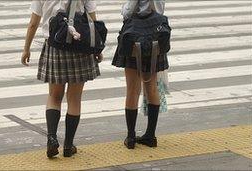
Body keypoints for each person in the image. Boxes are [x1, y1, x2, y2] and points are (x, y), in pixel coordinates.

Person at [21, 0, 103, 158]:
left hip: (55, 45)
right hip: (80, 46)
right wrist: (97, 48)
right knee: (74, 98)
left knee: (54, 96)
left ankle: (52, 138)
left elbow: (33, 23)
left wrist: (26, 49)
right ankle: (68, 145)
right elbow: (92, 19)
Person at [112, 0, 169, 149]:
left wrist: (123, 7)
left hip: (134, 37)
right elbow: (159, 9)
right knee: (152, 87)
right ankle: (150, 135)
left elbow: (128, 11)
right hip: (155, 36)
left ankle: (131, 137)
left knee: (132, 90)